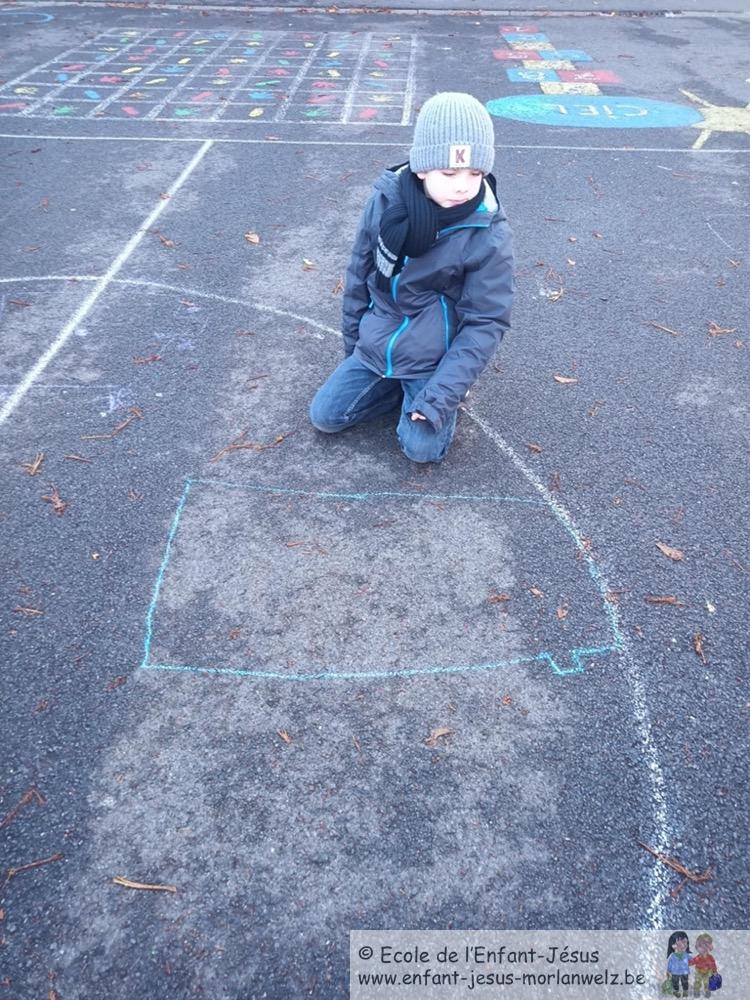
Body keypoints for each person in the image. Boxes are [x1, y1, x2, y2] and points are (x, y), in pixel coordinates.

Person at [309, 91, 514, 463]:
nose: (462, 185)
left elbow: (487, 320)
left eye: (475, 173)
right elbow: (359, 275)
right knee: (325, 416)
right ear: (422, 168)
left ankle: (426, 393)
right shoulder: (386, 202)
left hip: (432, 359)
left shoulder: (487, 231)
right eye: (449, 173)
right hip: (378, 344)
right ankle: (393, 390)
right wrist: (354, 349)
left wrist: (441, 395)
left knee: (421, 450)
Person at [689, 933, 718, 998]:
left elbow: (713, 964)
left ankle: (707, 991)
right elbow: (692, 961)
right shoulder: (698, 957)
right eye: (698, 946)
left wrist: (714, 971)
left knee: (707, 982)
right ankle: (696, 991)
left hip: (708, 971)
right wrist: (686, 963)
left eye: (700, 946)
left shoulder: (710, 958)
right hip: (699, 971)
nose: (698, 948)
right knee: (697, 981)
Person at [666, 931, 692, 999]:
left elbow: (693, 960)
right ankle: (676, 991)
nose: (685, 945)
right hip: (675, 972)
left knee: (685, 982)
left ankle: (685, 992)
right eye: (682, 942)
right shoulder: (672, 956)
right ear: (673, 945)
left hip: (684, 972)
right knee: (675, 983)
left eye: (686, 942)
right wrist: (668, 971)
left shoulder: (686, 955)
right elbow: (670, 964)